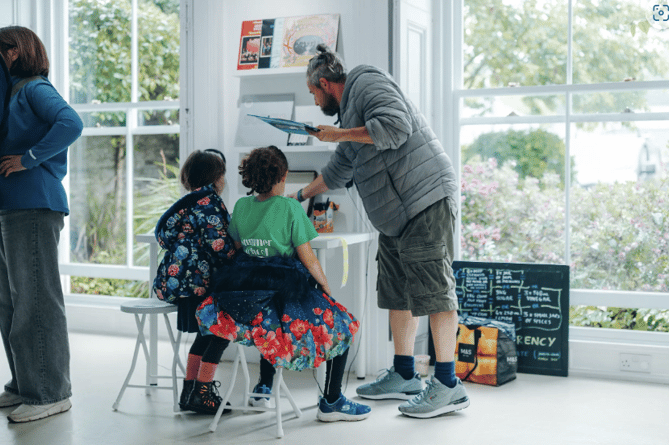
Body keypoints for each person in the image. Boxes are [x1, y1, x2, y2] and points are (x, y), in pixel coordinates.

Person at [289, 44, 470, 419]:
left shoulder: (367, 81)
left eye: (313, 94)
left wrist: (339, 135)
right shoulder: (347, 121)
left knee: (434, 292)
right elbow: (339, 170)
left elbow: (395, 127)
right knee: (396, 292)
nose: (314, 100)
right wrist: (299, 195)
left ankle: (449, 385)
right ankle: (404, 373)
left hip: (424, 199)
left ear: (324, 83)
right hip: (394, 216)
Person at [195, 146, 371, 422]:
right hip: (282, 294)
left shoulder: (241, 206)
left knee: (269, 326)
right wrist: (325, 286)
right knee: (343, 326)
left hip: (245, 298)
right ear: (283, 176)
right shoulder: (290, 207)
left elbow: (239, 247)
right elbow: (308, 257)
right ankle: (333, 400)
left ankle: (264, 386)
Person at [0, 26, 83, 423]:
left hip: (34, 205)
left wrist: (28, 158)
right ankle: (24, 385)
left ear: (13, 52)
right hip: (10, 208)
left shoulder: (34, 87)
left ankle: (51, 392)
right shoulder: (12, 91)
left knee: (35, 300)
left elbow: (71, 123)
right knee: (11, 304)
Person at [154, 149, 240, 415]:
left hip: (181, 282)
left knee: (206, 334)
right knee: (221, 330)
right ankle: (203, 393)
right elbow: (220, 245)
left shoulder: (187, 202)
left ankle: (189, 392)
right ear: (217, 178)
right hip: (201, 280)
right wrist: (238, 252)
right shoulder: (209, 202)